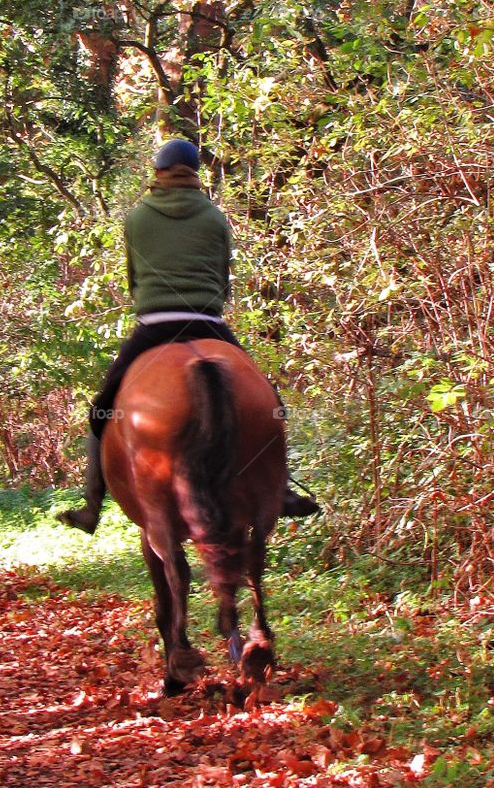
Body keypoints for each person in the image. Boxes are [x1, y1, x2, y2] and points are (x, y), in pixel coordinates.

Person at [58, 138, 320, 534]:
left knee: (101, 410)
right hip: (209, 322)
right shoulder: (215, 217)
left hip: (155, 325)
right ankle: (281, 489)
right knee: (271, 402)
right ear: (195, 174)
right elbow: (221, 275)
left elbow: (133, 277)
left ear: (159, 172)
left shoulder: (137, 218)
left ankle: (91, 505)